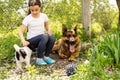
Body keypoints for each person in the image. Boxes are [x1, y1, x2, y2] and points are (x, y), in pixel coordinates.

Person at [19, 0, 55, 66]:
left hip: (42, 39)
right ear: (30, 9)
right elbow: (21, 32)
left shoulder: (44, 16)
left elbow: (47, 26)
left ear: (40, 8)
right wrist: (23, 41)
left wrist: (49, 30)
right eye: (32, 10)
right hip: (31, 41)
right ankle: (39, 58)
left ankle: (46, 57)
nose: (34, 12)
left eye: (36, 10)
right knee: (44, 36)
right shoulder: (27, 18)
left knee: (52, 36)